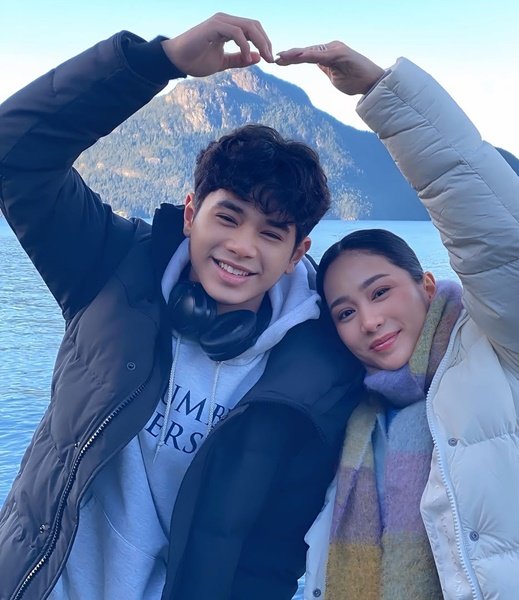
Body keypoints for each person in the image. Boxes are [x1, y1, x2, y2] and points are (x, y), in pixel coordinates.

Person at [0, 14, 362, 600]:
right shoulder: (111, 268)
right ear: (191, 212)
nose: (243, 246)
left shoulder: (316, 372)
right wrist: (157, 62)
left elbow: (270, 560)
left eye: (272, 234)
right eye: (227, 216)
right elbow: (15, 152)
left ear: (298, 253)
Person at [273, 42, 519, 599]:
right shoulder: (358, 418)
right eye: (346, 312)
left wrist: (385, 95)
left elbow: (505, 239)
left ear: (425, 283)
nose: (370, 320)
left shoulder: (514, 352)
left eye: (381, 291)